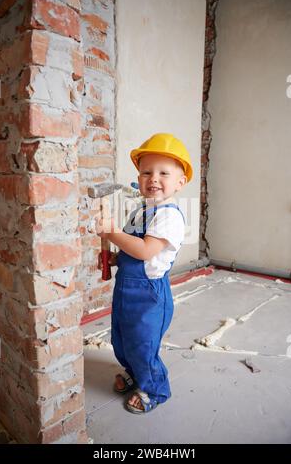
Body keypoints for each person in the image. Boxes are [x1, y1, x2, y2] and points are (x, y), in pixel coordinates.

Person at [96, 133, 193, 414]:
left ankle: (155, 388)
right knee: (122, 339)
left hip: (149, 295)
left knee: (143, 343)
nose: (153, 178)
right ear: (138, 178)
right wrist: (116, 256)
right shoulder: (142, 210)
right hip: (126, 288)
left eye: (164, 173)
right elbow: (131, 247)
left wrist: (111, 232)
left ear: (180, 182)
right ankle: (135, 372)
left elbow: (146, 251)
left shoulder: (169, 216)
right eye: (146, 172)